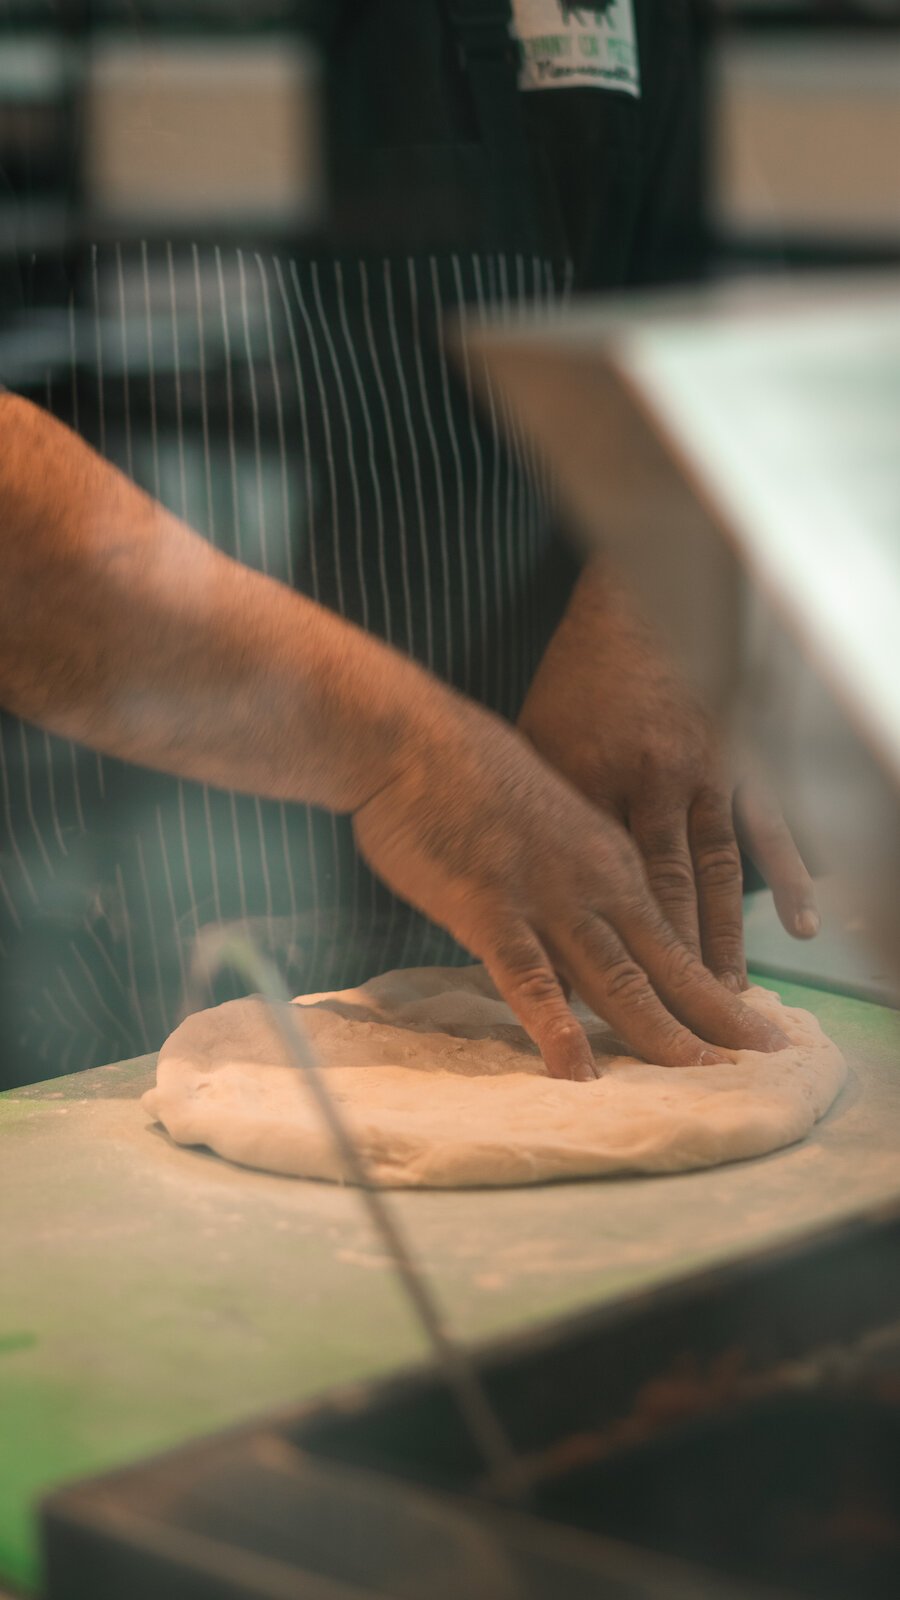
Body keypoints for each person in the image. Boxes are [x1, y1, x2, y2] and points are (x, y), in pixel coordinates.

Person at [0, 0, 816, 1088]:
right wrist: (405, 750)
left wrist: (672, 566)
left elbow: (731, 271)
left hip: (567, 908)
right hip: (105, 913)